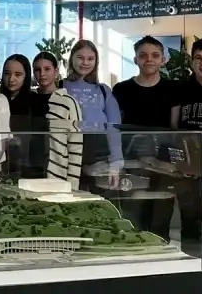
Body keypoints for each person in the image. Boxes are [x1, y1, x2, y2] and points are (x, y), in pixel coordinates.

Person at [113, 36, 179, 235]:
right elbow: (116, 128)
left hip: (163, 165)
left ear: (163, 60)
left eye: (155, 55)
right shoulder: (122, 90)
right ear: (135, 59)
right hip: (132, 164)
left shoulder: (172, 89)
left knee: (161, 220)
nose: (149, 59)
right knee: (133, 219)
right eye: (143, 55)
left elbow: (174, 128)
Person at [62, 40, 123, 181]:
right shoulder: (60, 86)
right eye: (80, 58)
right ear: (72, 58)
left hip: (98, 153)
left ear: (96, 61)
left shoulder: (103, 90)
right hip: (67, 150)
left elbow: (114, 128)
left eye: (90, 59)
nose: (85, 62)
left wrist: (116, 163)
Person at [33, 52, 84, 189]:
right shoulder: (29, 99)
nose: (42, 74)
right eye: (37, 69)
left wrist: (72, 184)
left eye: (47, 69)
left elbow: (76, 145)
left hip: (57, 175)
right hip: (31, 171)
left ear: (55, 72)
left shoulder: (68, 102)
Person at [2, 53, 45, 178]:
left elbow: (39, 139)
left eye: (18, 74)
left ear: (26, 76)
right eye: (7, 73)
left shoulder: (35, 101)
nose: (11, 79)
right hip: (0, 163)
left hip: (28, 166)